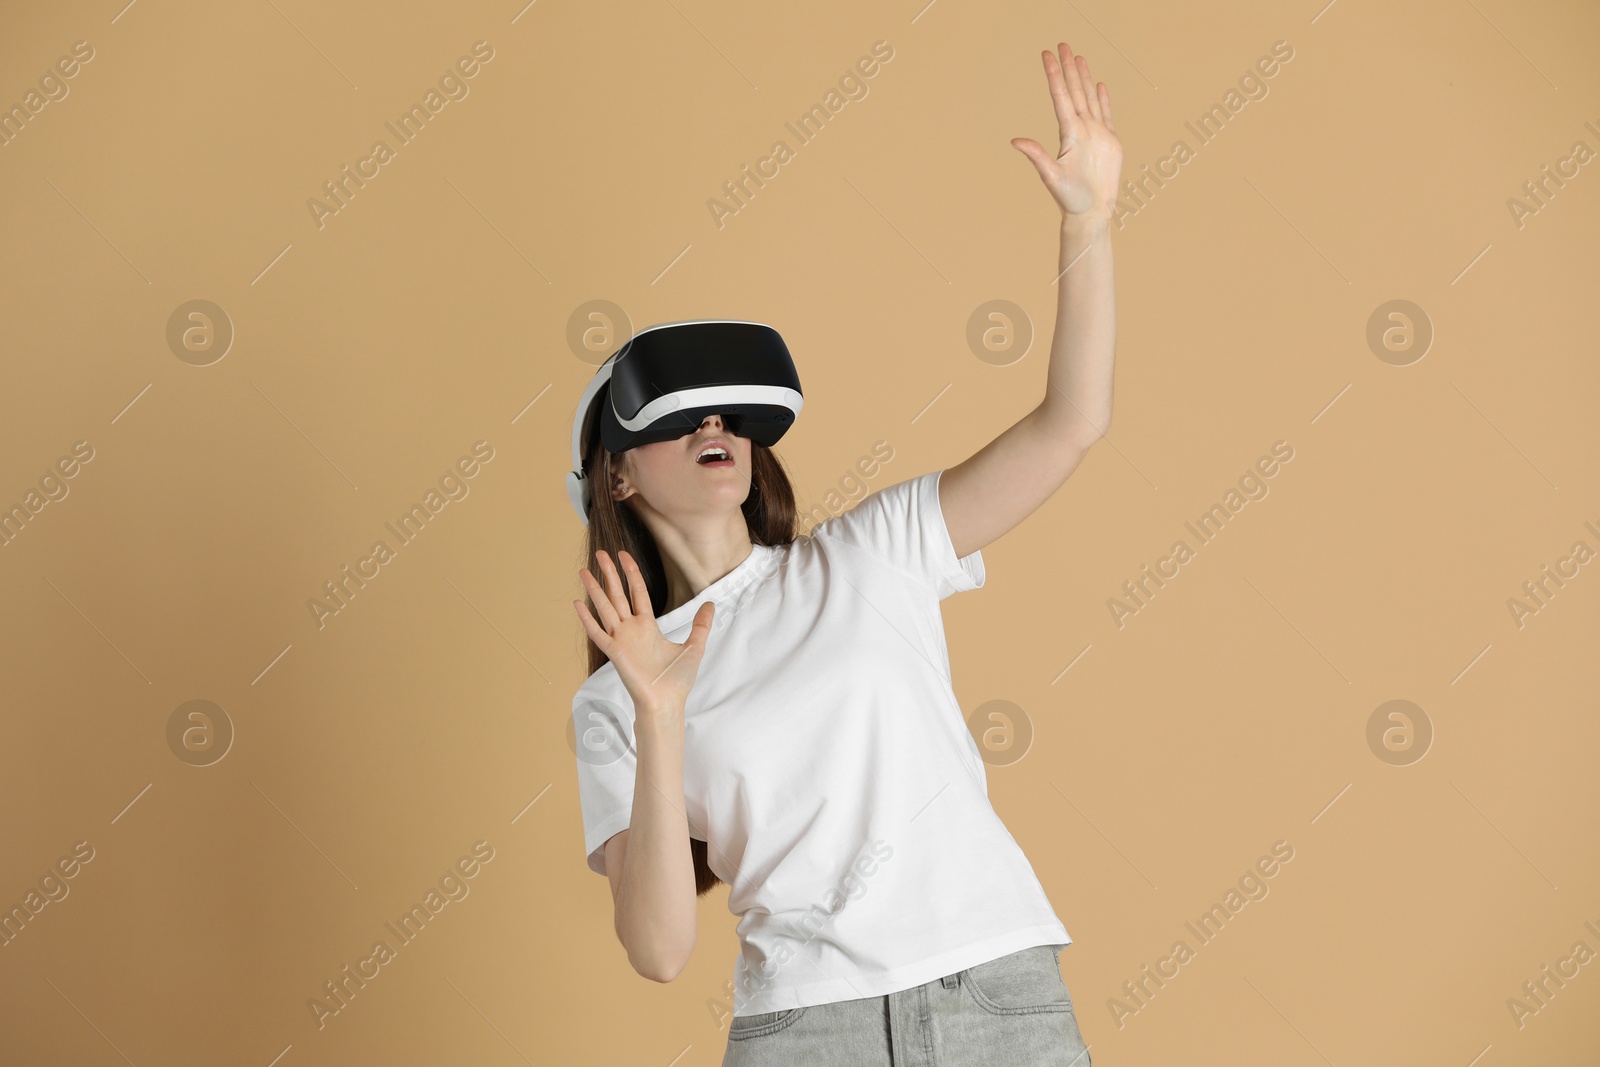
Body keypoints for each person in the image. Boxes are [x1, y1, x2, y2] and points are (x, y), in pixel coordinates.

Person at [570, 42, 1122, 1066]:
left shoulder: (872, 553)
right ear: (617, 474)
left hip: (993, 994)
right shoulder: (615, 702)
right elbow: (657, 947)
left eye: (735, 413)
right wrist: (658, 710)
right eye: (684, 416)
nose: (718, 425)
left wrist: (1085, 222)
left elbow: (1068, 425)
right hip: (803, 1031)